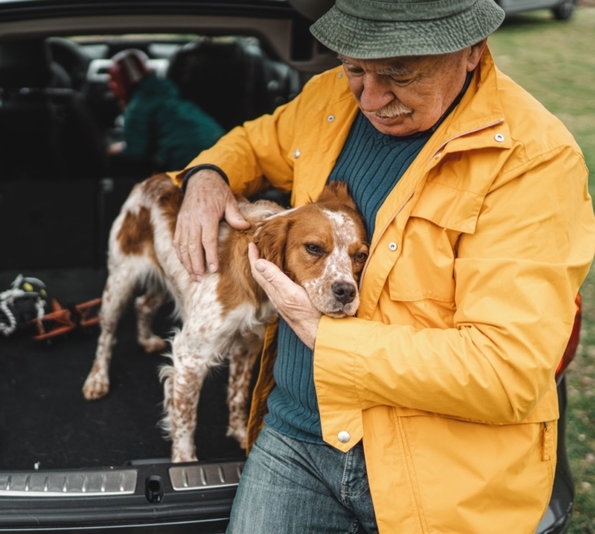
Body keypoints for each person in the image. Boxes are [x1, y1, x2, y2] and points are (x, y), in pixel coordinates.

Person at [169, 0, 595, 532]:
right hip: (297, 435)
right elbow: (256, 143)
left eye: (398, 74)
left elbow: (505, 372)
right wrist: (208, 174)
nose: (370, 98)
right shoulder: (329, 100)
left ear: (471, 50)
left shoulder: (534, 160)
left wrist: (321, 332)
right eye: (354, 68)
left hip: (441, 470)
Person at [106, 48, 225, 172]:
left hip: (190, 160)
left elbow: (136, 152)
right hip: (219, 145)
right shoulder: (165, 89)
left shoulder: (137, 108)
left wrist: (114, 149)